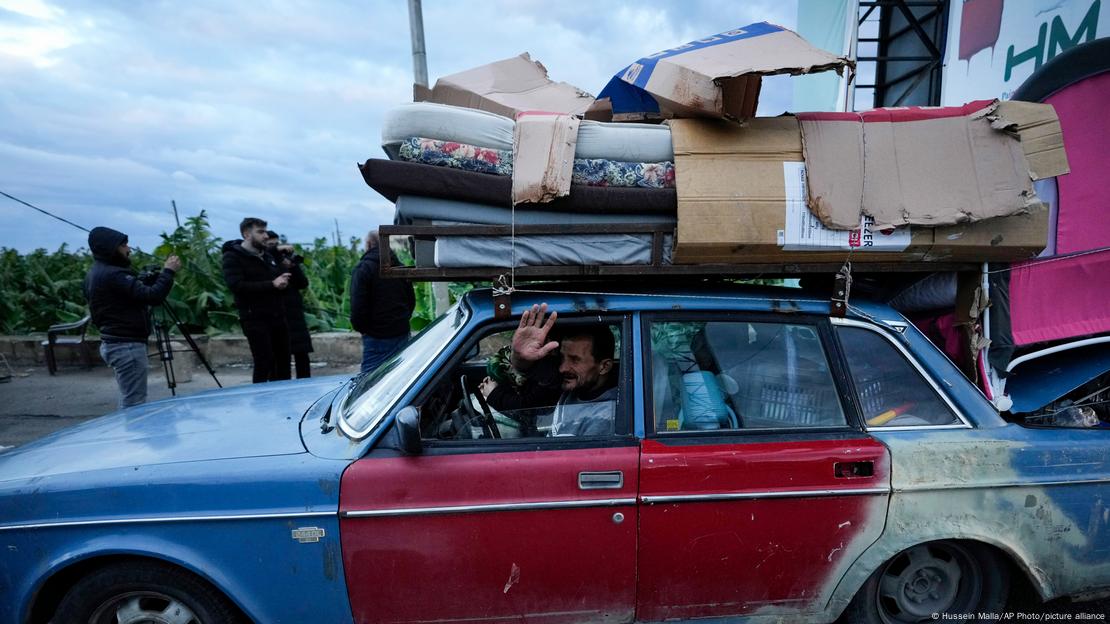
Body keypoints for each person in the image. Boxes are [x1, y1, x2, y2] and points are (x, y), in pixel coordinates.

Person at [480, 303, 618, 436]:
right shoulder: (575, 384)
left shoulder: (604, 419)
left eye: (575, 360)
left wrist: (494, 395)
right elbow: (531, 370)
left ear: (604, 367)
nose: (562, 368)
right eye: (563, 357)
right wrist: (519, 355)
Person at [84, 226, 180, 408]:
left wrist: (140, 283)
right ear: (111, 248)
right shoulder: (114, 274)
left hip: (113, 342)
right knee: (134, 403)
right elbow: (153, 296)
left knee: (129, 397)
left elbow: (121, 298)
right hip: (126, 345)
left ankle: (129, 432)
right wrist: (168, 272)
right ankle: (133, 435)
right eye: (124, 245)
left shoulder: (94, 273)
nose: (129, 249)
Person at [222, 217, 306, 383]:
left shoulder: (267, 256)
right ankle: (261, 403)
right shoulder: (233, 257)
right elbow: (236, 285)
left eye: (265, 231)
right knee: (264, 363)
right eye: (260, 232)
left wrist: (285, 274)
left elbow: (300, 282)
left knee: (283, 363)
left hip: (278, 317)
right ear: (247, 234)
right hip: (255, 319)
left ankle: (283, 399)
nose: (265, 236)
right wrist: (272, 284)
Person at [349, 229, 415, 373]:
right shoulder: (399, 267)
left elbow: (358, 308)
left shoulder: (364, 269)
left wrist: (363, 329)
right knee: (399, 377)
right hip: (401, 332)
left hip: (376, 337)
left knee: (370, 382)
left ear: (368, 244)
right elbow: (411, 301)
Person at [265, 231, 313, 379]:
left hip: (295, 314)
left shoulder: (285, 262)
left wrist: (292, 266)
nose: (276, 248)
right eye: (271, 245)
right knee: (277, 358)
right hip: (277, 314)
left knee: (302, 355)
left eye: (276, 245)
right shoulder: (265, 263)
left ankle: (305, 384)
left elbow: (303, 283)